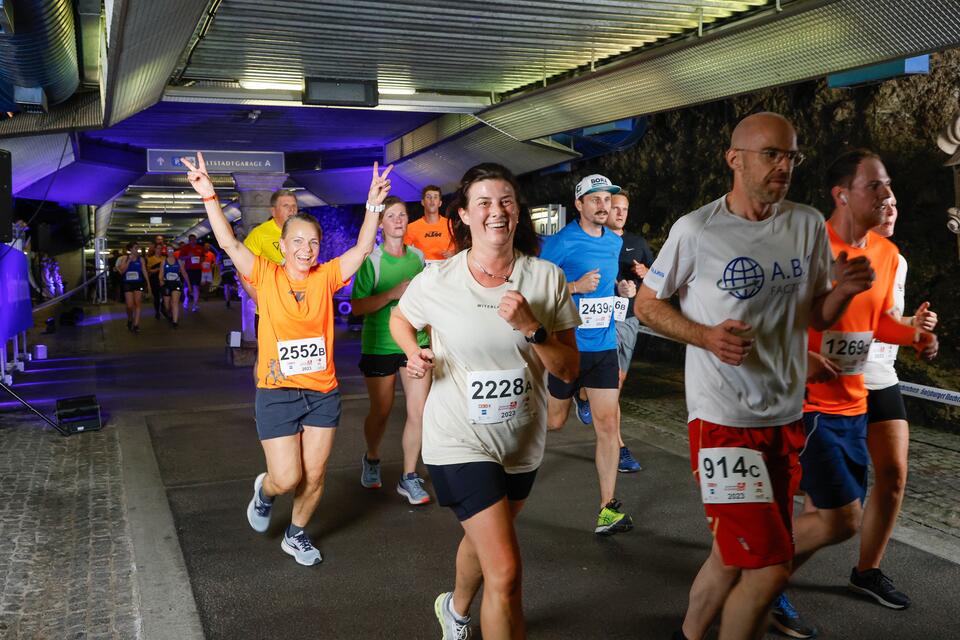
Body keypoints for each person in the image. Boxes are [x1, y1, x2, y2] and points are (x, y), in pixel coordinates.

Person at [635, 113, 877, 640]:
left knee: (729, 555)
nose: (784, 166)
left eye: (792, 156)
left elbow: (813, 314)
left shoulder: (806, 223)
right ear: (735, 159)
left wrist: (842, 293)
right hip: (723, 422)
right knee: (768, 569)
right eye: (772, 154)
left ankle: (691, 633)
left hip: (787, 415)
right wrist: (704, 335)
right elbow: (646, 304)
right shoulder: (697, 229)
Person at [390, 163, 579, 640]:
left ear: (519, 213)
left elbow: (568, 369)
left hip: (520, 441)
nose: (497, 211)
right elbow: (400, 318)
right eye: (485, 203)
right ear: (465, 216)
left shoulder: (547, 278)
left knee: (484, 541)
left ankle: (454, 609)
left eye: (506, 201)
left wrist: (531, 327)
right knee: (507, 572)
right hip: (456, 439)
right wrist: (414, 353)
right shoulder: (440, 278)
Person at [182, 152, 386, 566]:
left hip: (322, 393)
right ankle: (265, 491)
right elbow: (229, 243)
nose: (306, 249)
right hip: (276, 392)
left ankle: (296, 534)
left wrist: (374, 205)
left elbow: (364, 247)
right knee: (288, 477)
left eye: (313, 243)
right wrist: (210, 198)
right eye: (297, 241)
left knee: (315, 475)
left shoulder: (326, 276)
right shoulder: (265, 274)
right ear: (283, 245)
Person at [779, 152, 937, 634]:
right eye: (876, 186)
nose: (888, 196)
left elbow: (876, 323)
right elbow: (782, 317)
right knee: (831, 512)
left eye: (889, 186)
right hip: (811, 394)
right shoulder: (805, 244)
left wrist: (915, 335)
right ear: (842, 193)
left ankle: (860, 571)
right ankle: (760, 578)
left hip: (864, 386)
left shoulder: (888, 256)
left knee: (885, 478)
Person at [854, 195, 937, 608]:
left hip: (882, 378)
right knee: (826, 499)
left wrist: (916, 327)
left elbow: (887, 321)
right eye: (881, 205)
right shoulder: (837, 254)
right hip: (837, 381)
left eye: (895, 206)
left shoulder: (897, 261)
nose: (890, 212)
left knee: (894, 477)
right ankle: (766, 569)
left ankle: (867, 570)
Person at [541, 174, 635, 535]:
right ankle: (561, 396)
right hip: (567, 347)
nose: (603, 206)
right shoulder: (561, 241)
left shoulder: (613, 242)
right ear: (579, 205)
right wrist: (575, 287)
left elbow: (608, 285)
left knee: (609, 426)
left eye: (607, 200)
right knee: (554, 422)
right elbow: (536, 287)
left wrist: (621, 289)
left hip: (604, 346)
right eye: (594, 199)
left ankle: (606, 509)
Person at [351, 195, 433, 505]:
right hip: (379, 344)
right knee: (381, 411)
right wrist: (393, 293)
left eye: (402, 215)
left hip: (415, 343)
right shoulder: (372, 260)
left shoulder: (418, 257)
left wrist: (432, 337)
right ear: (381, 224)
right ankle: (372, 457)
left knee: (419, 411)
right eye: (391, 216)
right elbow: (357, 307)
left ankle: (409, 476)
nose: (398, 220)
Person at [605, 190, 655, 473]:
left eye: (624, 208)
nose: (620, 213)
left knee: (615, 385)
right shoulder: (593, 241)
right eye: (615, 207)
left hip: (625, 320)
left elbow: (659, 279)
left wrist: (647, 275)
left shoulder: (637, 243)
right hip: (595, 320)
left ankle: (614, 442)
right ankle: (619, 446)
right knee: (610, 383)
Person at [243, 189, 300, 329]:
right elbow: (242, 270)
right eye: (286, 206)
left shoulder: (303, 230)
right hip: (271, 312)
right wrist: (258, 300)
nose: (291, 210)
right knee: (270, 351)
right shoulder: (260, 234)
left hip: (300, 310)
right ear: (273, 211)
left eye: (294, 206)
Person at [403, 184, 455, 263]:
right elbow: (405, 253)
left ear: (440, 203)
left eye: (435, 197)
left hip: (447, 267)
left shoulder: (451, 224)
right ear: (423, 202)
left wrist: (454, 253)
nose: (432, 200)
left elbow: (463, 247)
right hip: (422, 269)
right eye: (428, 197)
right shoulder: (411, 228)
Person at [116, 241, 152, 333]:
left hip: (138, 283)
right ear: (131, 249)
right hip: (127, 283)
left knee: (138, 303)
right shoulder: (125, 258)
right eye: (136, 248)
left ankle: (136, 325)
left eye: (138, 248)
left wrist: (148, 284)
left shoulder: (141, 259)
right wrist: (129, 261)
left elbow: (144, 271)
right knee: (129, 305)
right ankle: (130, 319)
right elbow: (122, 271)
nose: (137, 250)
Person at [160, 246, 190, 328]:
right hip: (167, 284)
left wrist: (189, 285)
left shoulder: (179, 261)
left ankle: (175, 322)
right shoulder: (164, 262)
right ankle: (169, 313)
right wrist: (161, 281)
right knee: (167, 305)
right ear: (166, 252)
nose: (170, 251)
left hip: (176, 283)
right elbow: (160, 275)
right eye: (168, 250)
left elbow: (184, 273)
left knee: (175, 302)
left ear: (173, 251)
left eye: (172, 250)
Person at [179, 234, 205, 312]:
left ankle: (195, 304)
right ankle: (186, 299)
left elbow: (203, 257)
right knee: (187, 287)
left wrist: (201, 260)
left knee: (196, 287)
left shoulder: (200, 248)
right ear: (189, 240)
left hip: (197, 270)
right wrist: (188, 257)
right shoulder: (185, 248)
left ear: (196, 240)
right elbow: (180, 257)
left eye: (194, 239)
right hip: (188, 270)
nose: (193, 241)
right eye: (191, 239)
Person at [145, 245, 164, 319]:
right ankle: (157, 311)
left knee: (164, 295)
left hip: (163, 279)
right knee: (156, 296)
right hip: (154, 279)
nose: (159, 250)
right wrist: (157, 269)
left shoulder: (164, 258)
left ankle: (163, 308)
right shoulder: (150, 259)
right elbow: (148, 270)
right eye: (158, 248)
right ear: (155, 249)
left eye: (160, 248)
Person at [220, 243, 238, 308]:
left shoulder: (233, 253)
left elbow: (237, 261)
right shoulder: (221, 254)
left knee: (232, 286)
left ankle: (232, 296)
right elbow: (217, 263)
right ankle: (228, 301)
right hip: (225, 272)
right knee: (226, 286)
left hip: (232, 272)